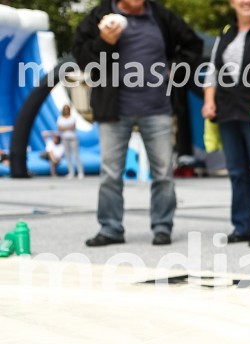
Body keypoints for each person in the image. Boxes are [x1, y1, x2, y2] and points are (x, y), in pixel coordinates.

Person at [73, 0, 202, 247]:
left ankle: (162, 226)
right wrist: (104, 42)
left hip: (158, 108)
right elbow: (83, 60)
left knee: (163, 173)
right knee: (110, 174)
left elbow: (193, 44)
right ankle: (110, 228)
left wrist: (175, 69)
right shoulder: (99, 16)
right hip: (113, 109)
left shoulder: (161, 15)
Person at [202, 0, 250, 247]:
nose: (246, 1)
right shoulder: (226, 33)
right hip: (227, 112)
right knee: (236, 172)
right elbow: (212, 71)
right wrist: (209, 101)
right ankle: (243, 227)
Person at [57, 105, 84, 179]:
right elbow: (60, 128)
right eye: (65, 109)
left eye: (67, 109)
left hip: (73, 138)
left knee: (76, 155)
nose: (66, 110)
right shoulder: (60, 118)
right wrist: (68, 127)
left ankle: (80, 172)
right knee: (68, 156)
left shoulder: (72, 118)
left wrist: (65, 128)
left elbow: (73, 128)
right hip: (65, 138)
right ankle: (71, 172)